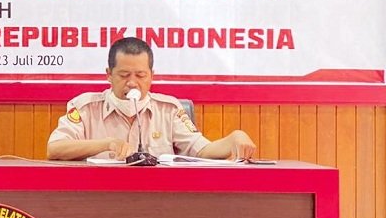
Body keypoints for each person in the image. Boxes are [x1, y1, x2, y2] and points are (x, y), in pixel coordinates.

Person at [47, 37, 257, 161]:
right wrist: (107, 144)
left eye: (140, 75)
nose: (132, 83)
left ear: (151, 76)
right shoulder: (85, 107)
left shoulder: (169, 110)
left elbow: (202, 151)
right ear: (108, 75)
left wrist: (234, 138)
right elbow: (54, 149)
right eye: (123, 75)